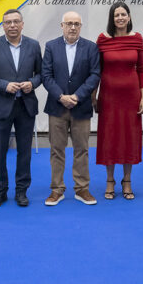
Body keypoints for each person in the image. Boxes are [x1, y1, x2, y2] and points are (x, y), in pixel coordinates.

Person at [0, 9, 42, 208]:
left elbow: (41, 74)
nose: (12, 25)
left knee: (25, 151)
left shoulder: (33, 45)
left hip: (26, 105)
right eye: (8, 22)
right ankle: (1, 191)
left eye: (16, 22)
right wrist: (3, 85)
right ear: (3, 25)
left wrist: (32, 83)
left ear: (22, 24)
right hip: (1, 105)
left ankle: (21, 191)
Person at [42, 11, 101, 206]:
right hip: (57, 107)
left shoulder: (91, 48)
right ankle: (56, 190)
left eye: (76, 23)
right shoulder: (51, 47)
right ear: (62, 26)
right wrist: (61, 96)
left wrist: (76, 96)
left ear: (81, 26)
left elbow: (94, 75)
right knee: (56, 150)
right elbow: (46, 76)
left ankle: (82, 189)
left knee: (81, 149)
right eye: (69, 23)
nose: (73, 27)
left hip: (81, 106)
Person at [93, 1, 143, 200]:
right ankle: (109, 180)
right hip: (108, 97)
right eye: (117, 15)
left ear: (129, 17)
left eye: (124, 14)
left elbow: (142, 69)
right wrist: (94, 96)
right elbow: (96, 71)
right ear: (112, 18)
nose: (120, 18)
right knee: (109, 137)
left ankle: (127, 180)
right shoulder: (102, 39)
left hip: (131, 98)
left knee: (129, 138)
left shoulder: (137, 39)